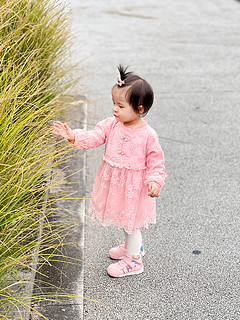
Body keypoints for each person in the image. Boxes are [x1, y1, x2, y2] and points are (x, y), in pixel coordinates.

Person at [52, 65, 166, 277]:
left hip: (134, 187)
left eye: (121, 106)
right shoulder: (111, 125)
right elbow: (94, 136)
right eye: (114, 103)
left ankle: (134, 260)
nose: (115, 109)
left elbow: (156, 161)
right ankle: (131, 246)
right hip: (116, 183)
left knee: (132, 223)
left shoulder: (148, 135)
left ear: (139, 109)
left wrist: (155, 181)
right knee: (126, 219)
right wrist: (73, 136)